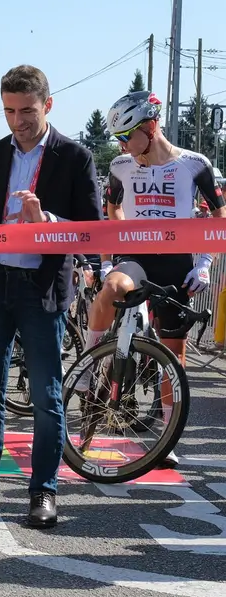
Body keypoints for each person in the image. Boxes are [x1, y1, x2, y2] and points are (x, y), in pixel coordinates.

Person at [0, 65, 101, 528]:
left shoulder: (75, 157)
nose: (17, 121)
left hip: (42, 291)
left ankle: (43, 491)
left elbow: (90, 234)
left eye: (26, 111)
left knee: (48, 396)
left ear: (47, 105)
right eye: (9, 111)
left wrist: (45, 222)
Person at [84, 90, 225, 467]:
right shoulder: (120, 166)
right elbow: (111, 209)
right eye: (118, 139)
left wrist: (205, 262)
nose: (123, 145)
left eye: (127, 136)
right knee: (112, 288)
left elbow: (218, 216)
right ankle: (88, 364)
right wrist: (116, 247)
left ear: (150, 126)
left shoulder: (194, 163)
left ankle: (167, 436)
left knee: (172, 357)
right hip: (137, 256)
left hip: (178, 264)